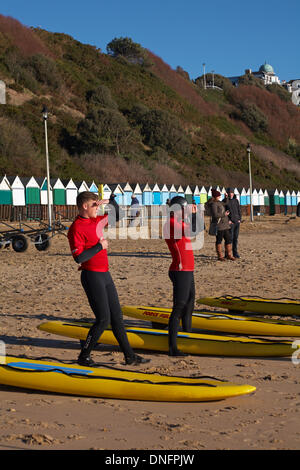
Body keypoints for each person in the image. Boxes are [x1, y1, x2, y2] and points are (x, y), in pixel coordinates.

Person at [67, 191, 150, 367]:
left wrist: (110, 201)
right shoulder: (76, 228)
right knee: (103, 319)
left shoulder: (96, 221)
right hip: (91, 275)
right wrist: (99, 246)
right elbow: (79, 258)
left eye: (98, 206)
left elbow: (118, 215)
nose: (97, 209)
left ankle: (130, 356)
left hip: (105, 274)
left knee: (117, 318)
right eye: (94, 206)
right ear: (84, 206)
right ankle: (84, 356)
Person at [163, 196, 202, 356]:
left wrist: (195, 214)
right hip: (180, 270)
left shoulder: (179, 221)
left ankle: (187, 337)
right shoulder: (171, 223)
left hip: (187, 269)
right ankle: (172, 347)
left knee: (189, 306)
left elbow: (198, 229)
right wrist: (192, 214)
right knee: (178, 308)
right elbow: (190, 231)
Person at [206, 189, 235, 261]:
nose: (219, 196)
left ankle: (229, 255)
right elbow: (215, 215)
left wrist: (226, 197)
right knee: (219, 241)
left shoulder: (219, 202)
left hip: (225, 224)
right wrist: (224, 214)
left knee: (228, 240)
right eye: (218, 195)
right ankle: (220, 256)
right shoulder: (213, 204)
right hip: (219, 226)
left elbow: (225, 203)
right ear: (215, 196)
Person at [224, 188, 242, 258]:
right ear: (227, 194)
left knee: (235, 238)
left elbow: (239, 210)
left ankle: (235, 253)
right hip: (230, 223)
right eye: (229, 193)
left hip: (237, 222)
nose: (231, 194)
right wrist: (228, 220)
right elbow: (224, 212)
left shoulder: (236, 201)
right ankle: (227, 253)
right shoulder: (225, 201)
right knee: (229, 238)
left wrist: (239, 219)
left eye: (232, 193)